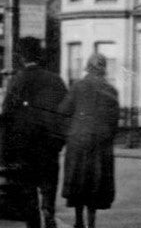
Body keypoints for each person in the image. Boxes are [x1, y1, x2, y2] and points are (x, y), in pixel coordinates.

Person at [0, 37, 67, 228]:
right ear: (40, 54)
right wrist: (59, 140)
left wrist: (9, 148)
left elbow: (7, 114)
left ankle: (34, 221)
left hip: (24, 145)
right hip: (49, 144)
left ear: (21, 57)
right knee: (49, 183)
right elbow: (65, 112)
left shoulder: (17, 80)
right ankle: (48, 210)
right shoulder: (55, 80)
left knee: (28, 189)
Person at [58, 53, 119, 228]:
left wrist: (70, 131)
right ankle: (91, 222)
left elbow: (63, 110)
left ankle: (78, 221)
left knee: (79, 182)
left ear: (87, 68)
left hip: (79, 142)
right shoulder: (111, 90)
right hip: (101, 144)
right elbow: (114, 120)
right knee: (95, 184)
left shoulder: (78, 87)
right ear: (103, 69)